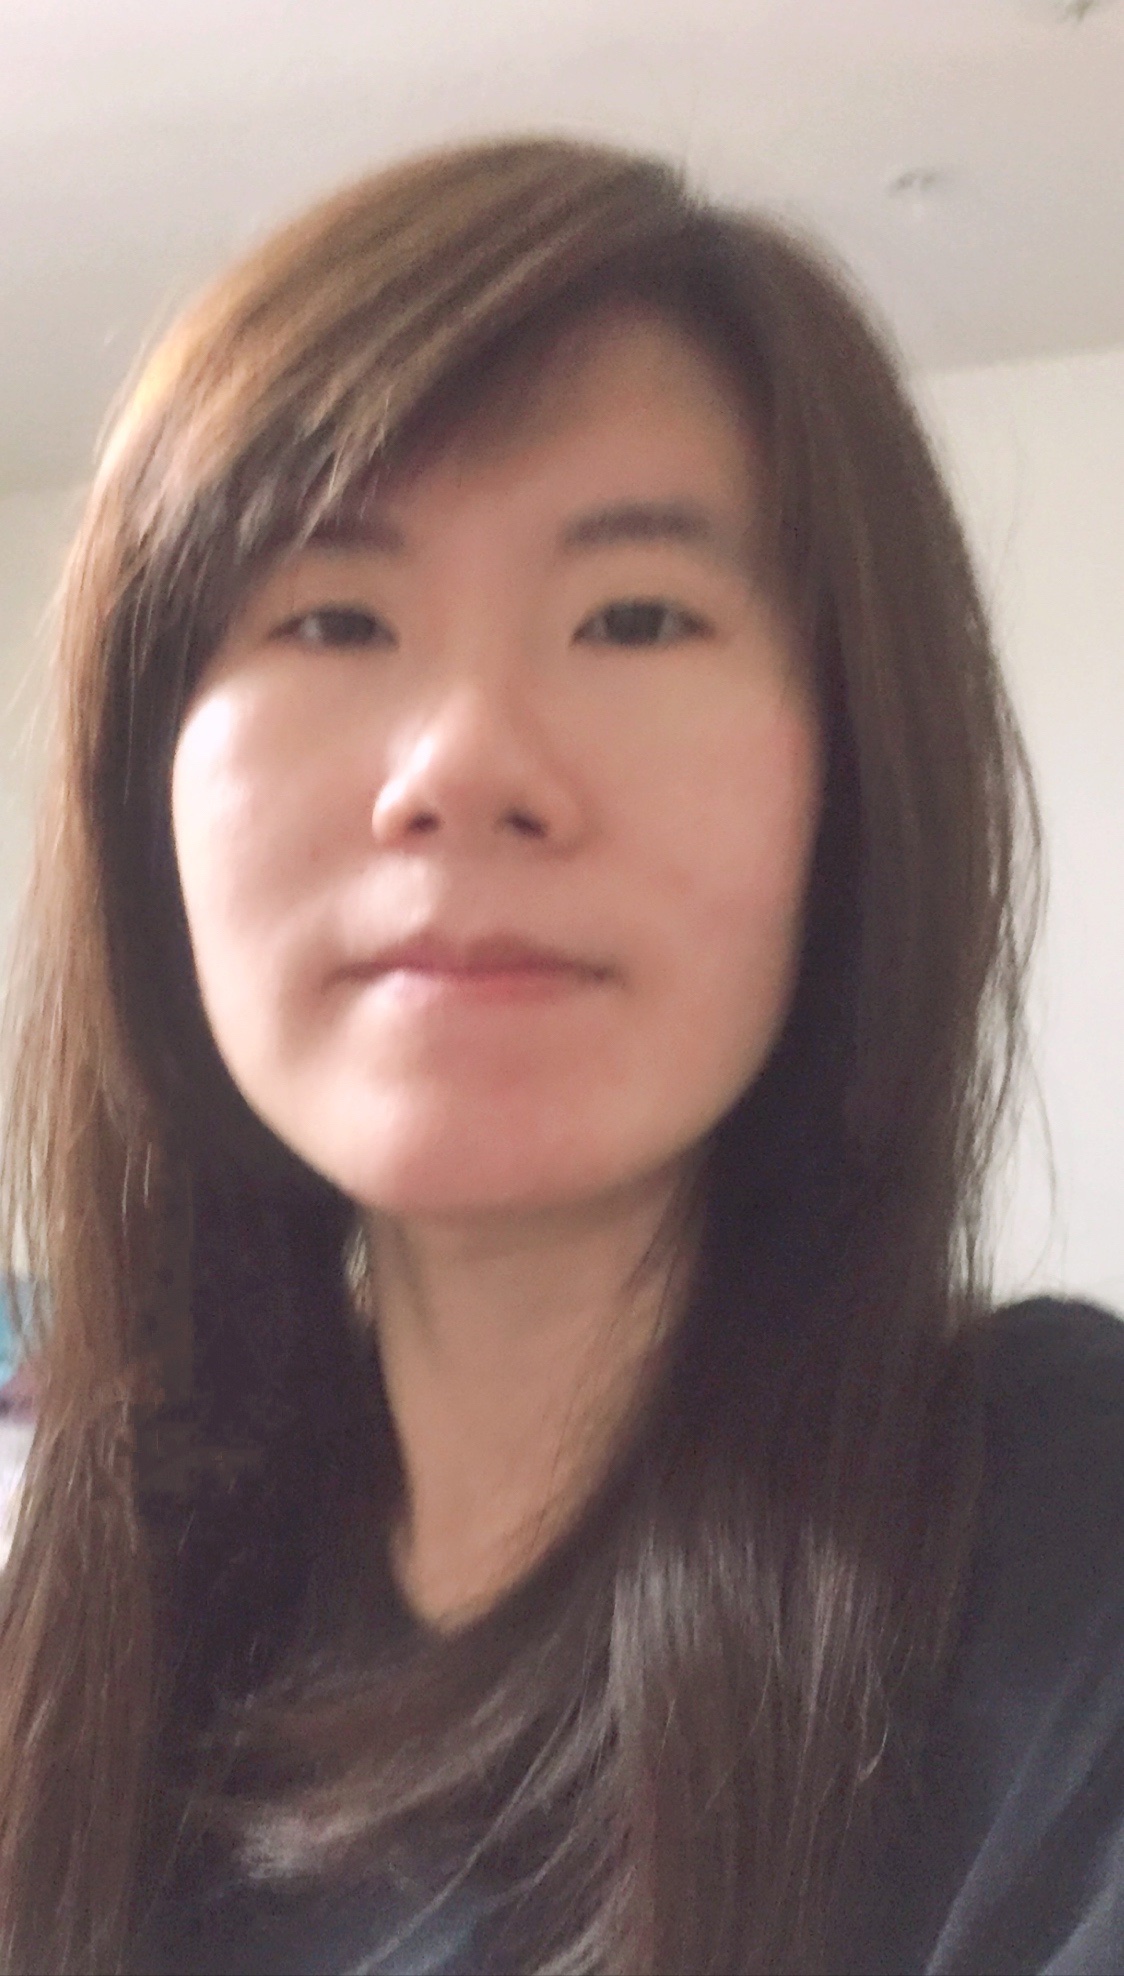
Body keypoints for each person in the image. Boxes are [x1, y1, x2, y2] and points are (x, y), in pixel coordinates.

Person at [0, 135, 1121, 1976]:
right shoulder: (109, 1616)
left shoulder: (1064, 1554)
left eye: (636, 616)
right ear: (148, 811)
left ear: (850, 786)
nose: (460, 762)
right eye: (331, 619)